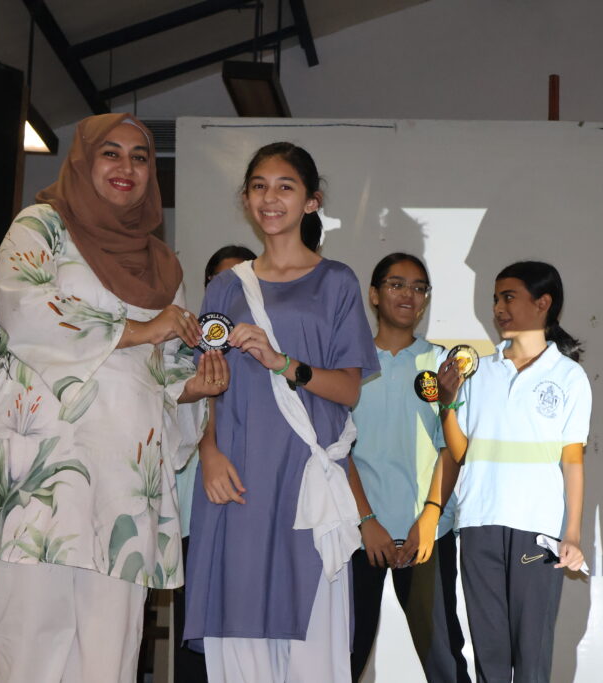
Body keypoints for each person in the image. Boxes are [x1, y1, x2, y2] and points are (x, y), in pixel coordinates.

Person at [0, 113, 227, 682]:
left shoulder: (163, 264)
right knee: (29, 651)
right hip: (39, 479)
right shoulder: (42, 227)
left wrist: (193, 390)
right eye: (111, 153)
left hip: (124, 485)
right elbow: (23, 303)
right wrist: (139, 330)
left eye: (140, 156)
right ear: (83, 161)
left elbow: (166, 371)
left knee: (110, 658)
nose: (127, 167)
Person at [183, 142, 380, 683]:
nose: (270, 198)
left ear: (311, 201)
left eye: (285, 187)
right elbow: (205, 386)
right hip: (236, 476)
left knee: (310, 645)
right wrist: (208, 452)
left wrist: (282, 362)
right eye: (259, 186)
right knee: (239, 636)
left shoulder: (336, 281)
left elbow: (348, 389)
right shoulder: (226, 287)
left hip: (304, 479)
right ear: (246, 198)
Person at [436, 260, 591, 683]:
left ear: (543, 303)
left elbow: (572, 461)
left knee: (531, 656)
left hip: (537, 529)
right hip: (479, 523)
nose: (498, 308)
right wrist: (448, 403)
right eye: (495, 299)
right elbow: (461, 451)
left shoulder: (569, 376)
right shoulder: (477, 372)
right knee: (489, 655)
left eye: (509, 297)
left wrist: (572, 534)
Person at [346, 253, 470, 682]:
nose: (409, 295)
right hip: (358, 534)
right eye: (397, 284)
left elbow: (453, 449)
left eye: (419, 288)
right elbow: (336, 450)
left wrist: (430, 518)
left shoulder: (444, 364)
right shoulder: (349, 364)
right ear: (374, 294)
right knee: (343, 658)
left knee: (444, 660)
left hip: (427, 535)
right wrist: (366, 521)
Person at [174, 244, 258, 683]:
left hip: (242, 507)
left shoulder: (264, 351)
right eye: (223, 282)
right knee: (195, 631)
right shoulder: (180, 344)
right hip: (189, 513)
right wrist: (208, 450)